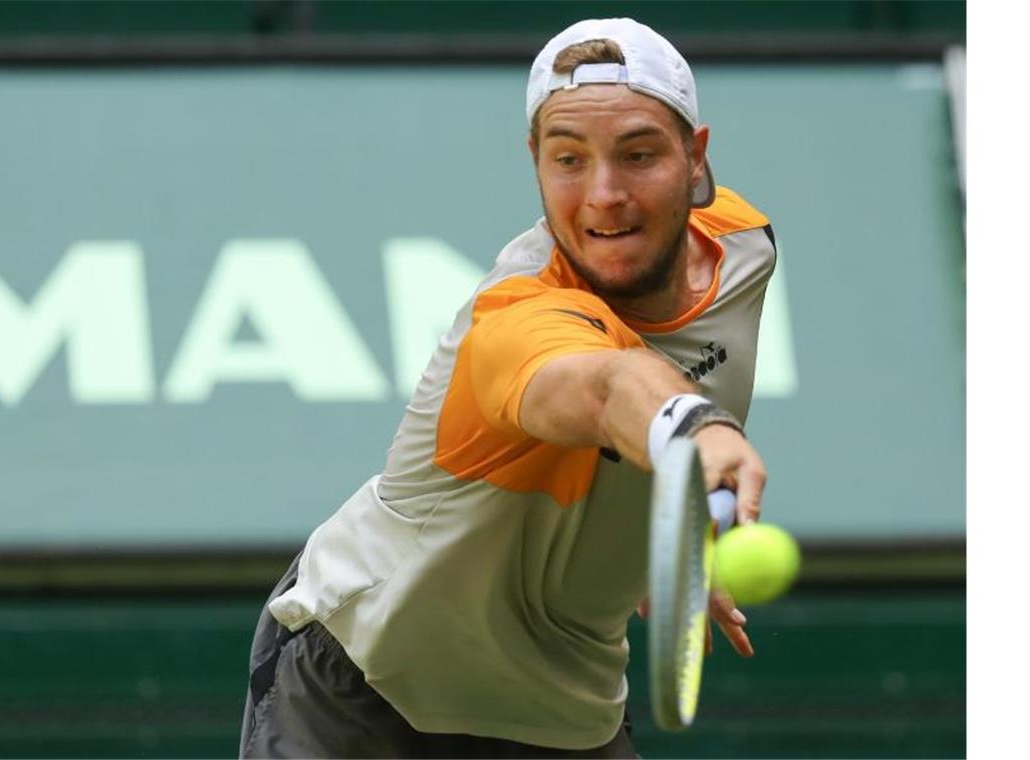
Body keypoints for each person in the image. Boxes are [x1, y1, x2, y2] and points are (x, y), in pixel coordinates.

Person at [239, 17, 775, 759]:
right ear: (535, 163)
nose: (604, 195)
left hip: (564, 707)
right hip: (371, 684)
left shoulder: (742, 243)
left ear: (696, 158)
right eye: (568, 159)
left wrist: (627, 546)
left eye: (639, 154)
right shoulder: (516, 317)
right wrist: (697, 432)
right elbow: (612, 387)